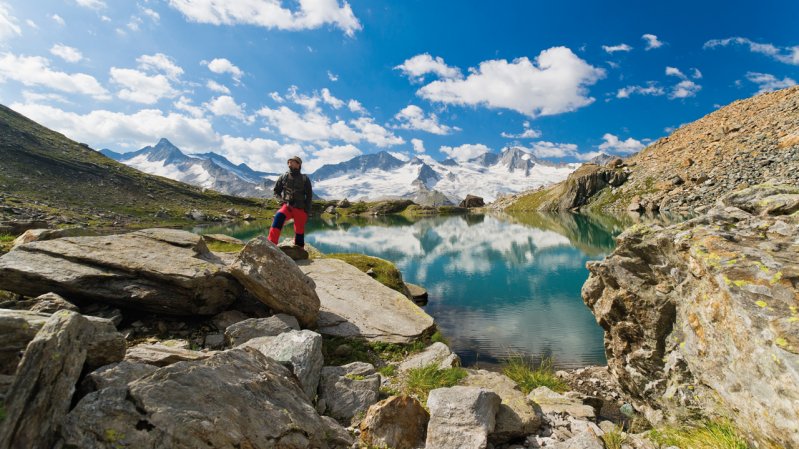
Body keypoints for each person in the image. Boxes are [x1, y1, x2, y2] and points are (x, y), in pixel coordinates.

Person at [268, 156, 313, 247]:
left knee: (299, 229)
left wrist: (306, 211)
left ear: (298, 164)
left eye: (292, 161)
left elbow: (309, 196)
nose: (289, 163)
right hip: (287, 206)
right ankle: (271, 244)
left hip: (300, 208)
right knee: (278, 217)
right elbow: (276, 191)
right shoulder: (283, 176)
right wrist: (281, 201)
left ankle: (299, 249)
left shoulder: (305, 179)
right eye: (288, 162)